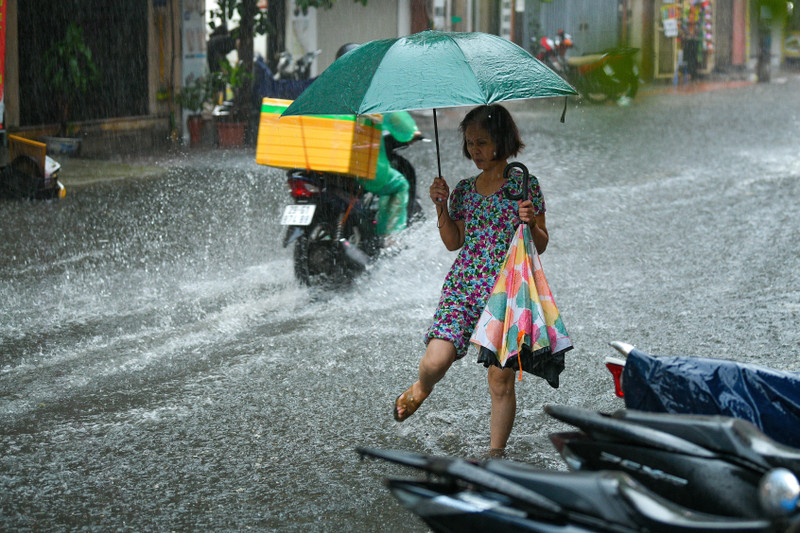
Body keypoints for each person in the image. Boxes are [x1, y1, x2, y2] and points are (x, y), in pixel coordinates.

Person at [393, 104, 548, 455]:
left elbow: (541, 244)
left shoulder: (525, 185)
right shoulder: (463, 189)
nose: (474, 150)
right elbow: (453, 242)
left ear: (502, 141)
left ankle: (495, 454)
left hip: (507, 291)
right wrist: (441, 206)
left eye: (481, 142)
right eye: (469, 143)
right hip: (464, 286)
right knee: (436, 360)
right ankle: (421, 387)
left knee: (500, 379)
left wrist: (531, 222)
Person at [336, 43, 420, 242]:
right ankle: (388, 237)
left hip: (329, 162)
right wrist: (412, 133)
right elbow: (397, 120)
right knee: (399, 185)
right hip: (358, 165)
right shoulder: (370, 94)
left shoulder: (329, 90)